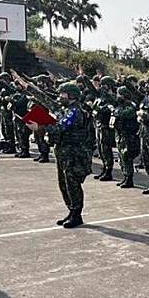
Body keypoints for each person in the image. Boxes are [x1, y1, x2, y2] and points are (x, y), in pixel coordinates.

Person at [27, 83, 92, 228]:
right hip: (62, 151)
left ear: (71, 95)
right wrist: (27, 87)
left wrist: (40, 127)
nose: (59, 96)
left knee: (72, 183)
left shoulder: (75, 112)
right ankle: (71, 211)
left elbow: (60, 128)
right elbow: (47, 101)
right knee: (63, 183)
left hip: (72, 153)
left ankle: (76, 214)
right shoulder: (66, 109)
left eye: (63, 94)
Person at [112, 86, 141, 188]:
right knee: (121, 157)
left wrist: (116, 112)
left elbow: (125, 113)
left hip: (128, 136)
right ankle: (125, 176)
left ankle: (129, 178)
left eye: (119, 94)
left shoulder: (130, 105)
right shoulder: (120, 105)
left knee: (126, 156)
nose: (118, 96)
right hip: (120, 134)